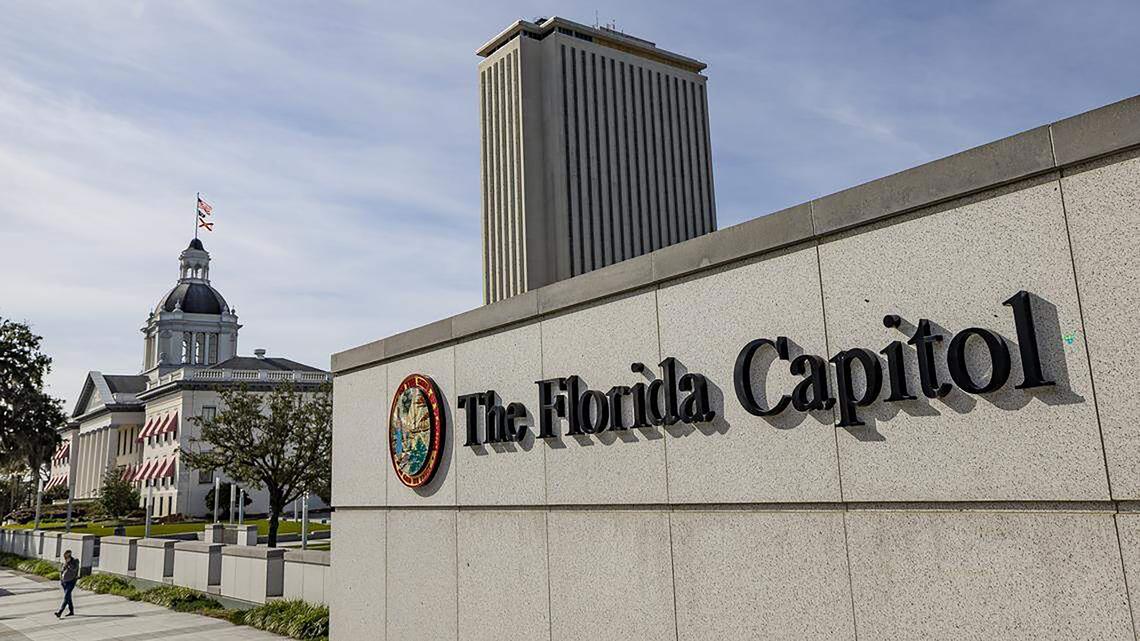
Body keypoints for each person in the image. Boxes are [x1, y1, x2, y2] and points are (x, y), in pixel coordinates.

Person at [54, 549, 78, 618]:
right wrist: (61, 579)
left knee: (66, 597)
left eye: (67, 556)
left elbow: (74, 569)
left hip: (71, 581)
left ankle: (60, 612)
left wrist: (68, 564)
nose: (66, 558)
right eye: (65, 556)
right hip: (64, 582)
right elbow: (61, 571)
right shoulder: (65, 562)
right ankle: (71, 611)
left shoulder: (75, 561)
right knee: (68, 597)